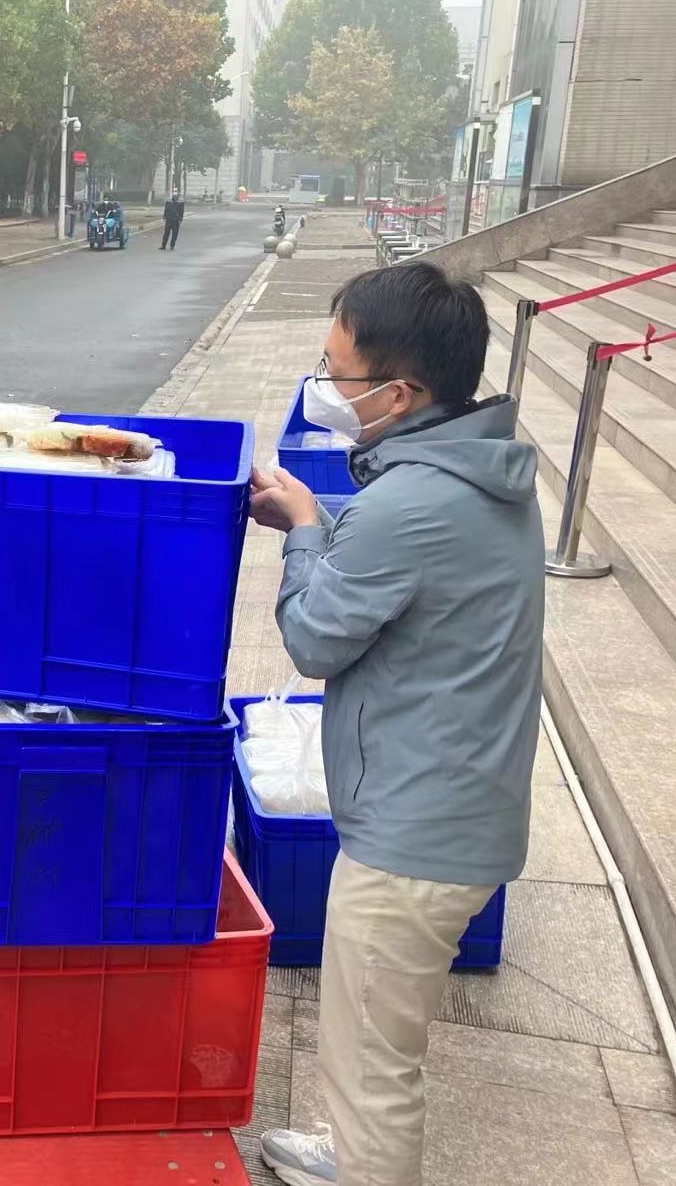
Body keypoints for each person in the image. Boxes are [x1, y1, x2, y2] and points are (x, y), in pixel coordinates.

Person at [250, 262, 544, 1186]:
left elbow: (313, 638)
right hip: (459, 804)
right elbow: (405, 551)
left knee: (374, 1057)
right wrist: (325, 521)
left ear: (400, 392)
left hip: (413, 838)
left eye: (338, 374)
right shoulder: (479, 469)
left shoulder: (409, 502)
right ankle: (349, 1151)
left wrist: (307, 532)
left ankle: (366, 1163)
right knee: (370, 1033)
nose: (325, 387)